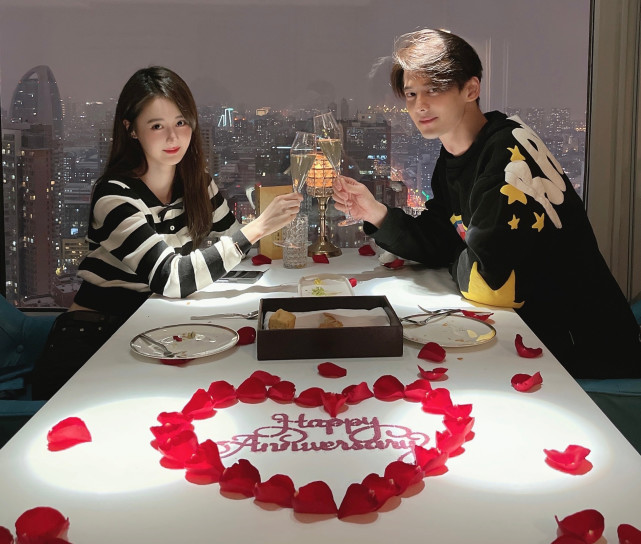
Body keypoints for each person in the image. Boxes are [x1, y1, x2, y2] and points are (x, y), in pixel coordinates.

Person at [332, 29, 641, 379]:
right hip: (529, 337)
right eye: (412, 93)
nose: (419, 105)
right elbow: (440, 236)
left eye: (434, 89)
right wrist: (375, 212)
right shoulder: (452, 158)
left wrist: (456, 251)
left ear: (471, 89)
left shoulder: (509, 156)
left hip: (583, 356)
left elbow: (490, 284)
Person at [29, 66, 302, 399]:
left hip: (157, 329)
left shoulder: (198, 184)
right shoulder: (114, 196)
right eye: (157, 126)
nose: (173, 138)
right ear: (131, 129)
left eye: (181, 122)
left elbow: (235, 249)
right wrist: (257, 228)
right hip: (96, 339)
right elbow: (172, 278)